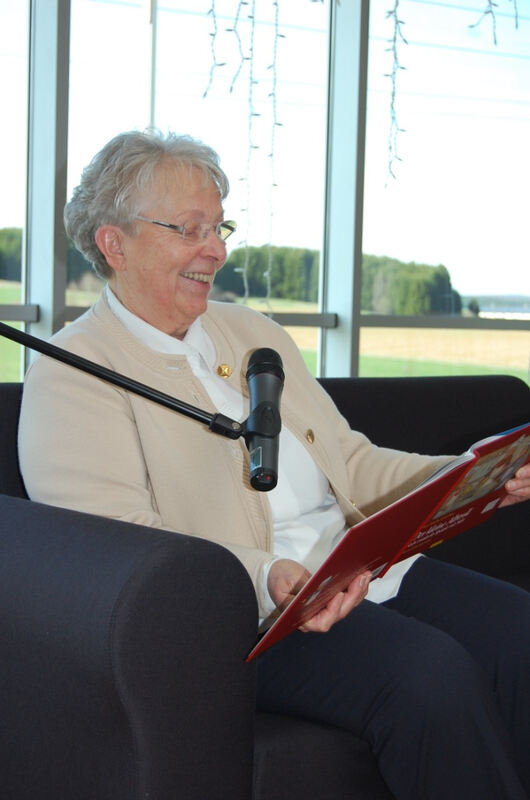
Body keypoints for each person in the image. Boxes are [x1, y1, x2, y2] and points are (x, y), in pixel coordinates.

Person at [18, 129, 530, 800]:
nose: (217, 249)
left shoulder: (254, 332)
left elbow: (349, 460)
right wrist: (267, 574)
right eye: (190, 228)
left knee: (520, 633)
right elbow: (114, 547)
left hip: (357, 567)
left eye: (219, 226)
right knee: (429, 676)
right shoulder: (73, 373)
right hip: (248, 613)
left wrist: (466, 477)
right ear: (115, 243)